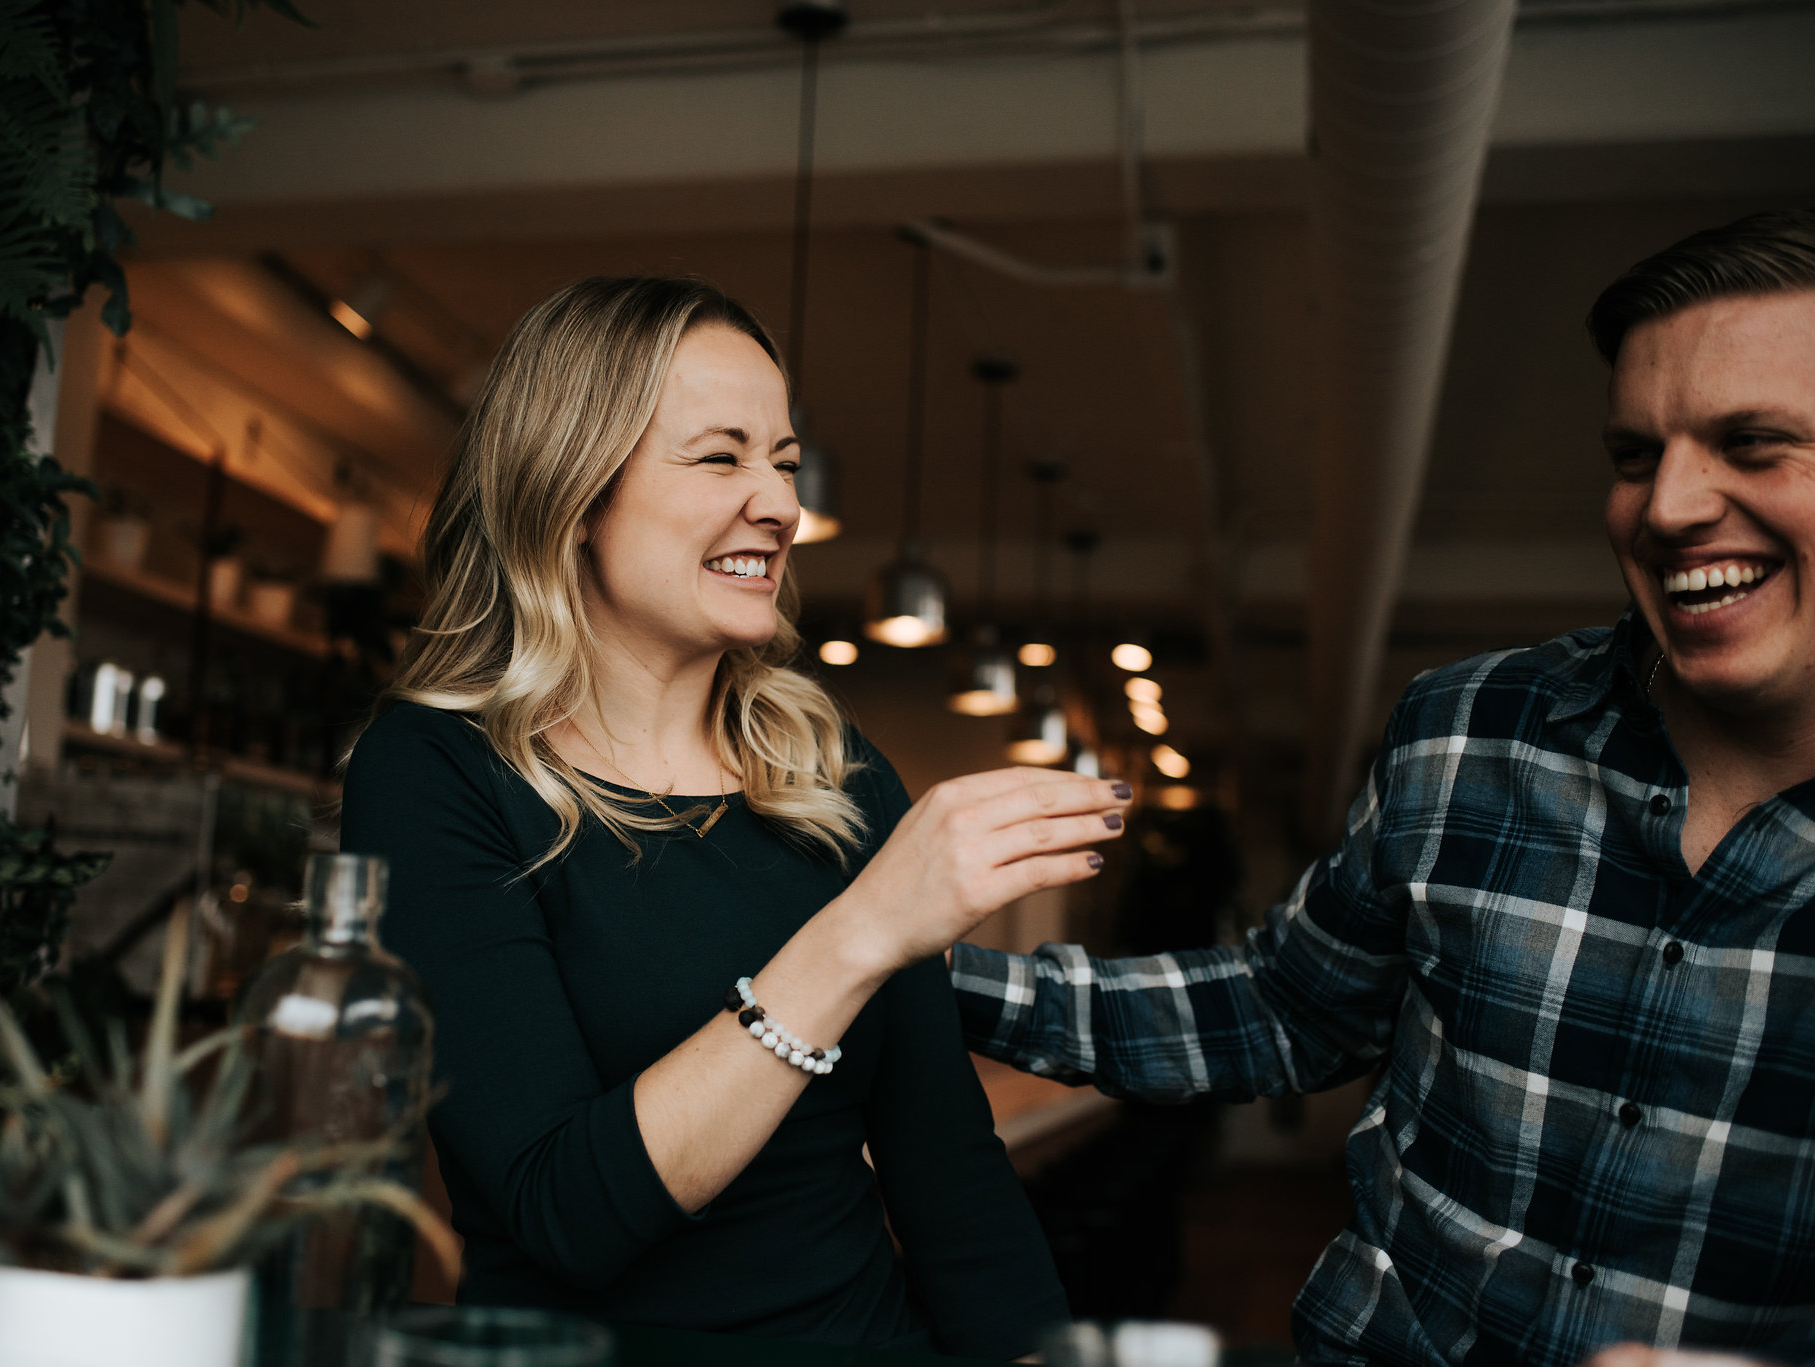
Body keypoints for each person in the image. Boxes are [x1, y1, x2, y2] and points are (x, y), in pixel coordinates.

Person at [951, 208, 1815, 1367]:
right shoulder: (1468, 728)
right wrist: (904, 965)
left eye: (1752, 443)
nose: (1663, 507)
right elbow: (1280, 1007)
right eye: (1630, 456)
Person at [341, 276, 1127, 1358]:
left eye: (783, 459)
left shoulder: (833, 772)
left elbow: (951, 1186)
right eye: (720, 455)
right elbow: (562, 1210)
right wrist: (858, 933)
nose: (776, 502)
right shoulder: (436, 772)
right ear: (572, 493)